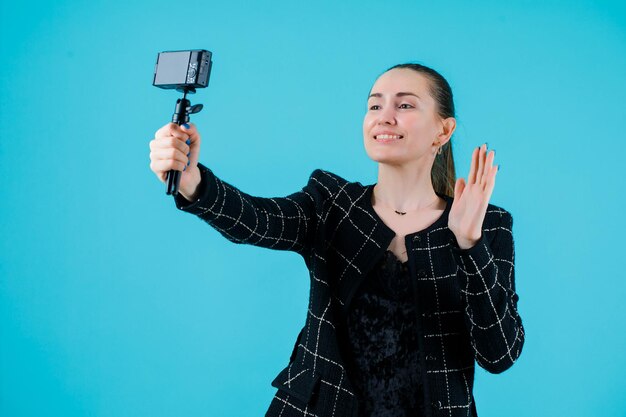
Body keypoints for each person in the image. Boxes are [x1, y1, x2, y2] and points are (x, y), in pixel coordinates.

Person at [148, 63, 525, 417]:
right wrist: (193, 182)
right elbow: (255, 219)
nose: (384, 116)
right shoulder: (331, 203)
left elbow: (499, 354)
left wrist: (469, 244)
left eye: (405, 104)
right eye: (374, 105)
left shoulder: (488, 224)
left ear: (443, 131)